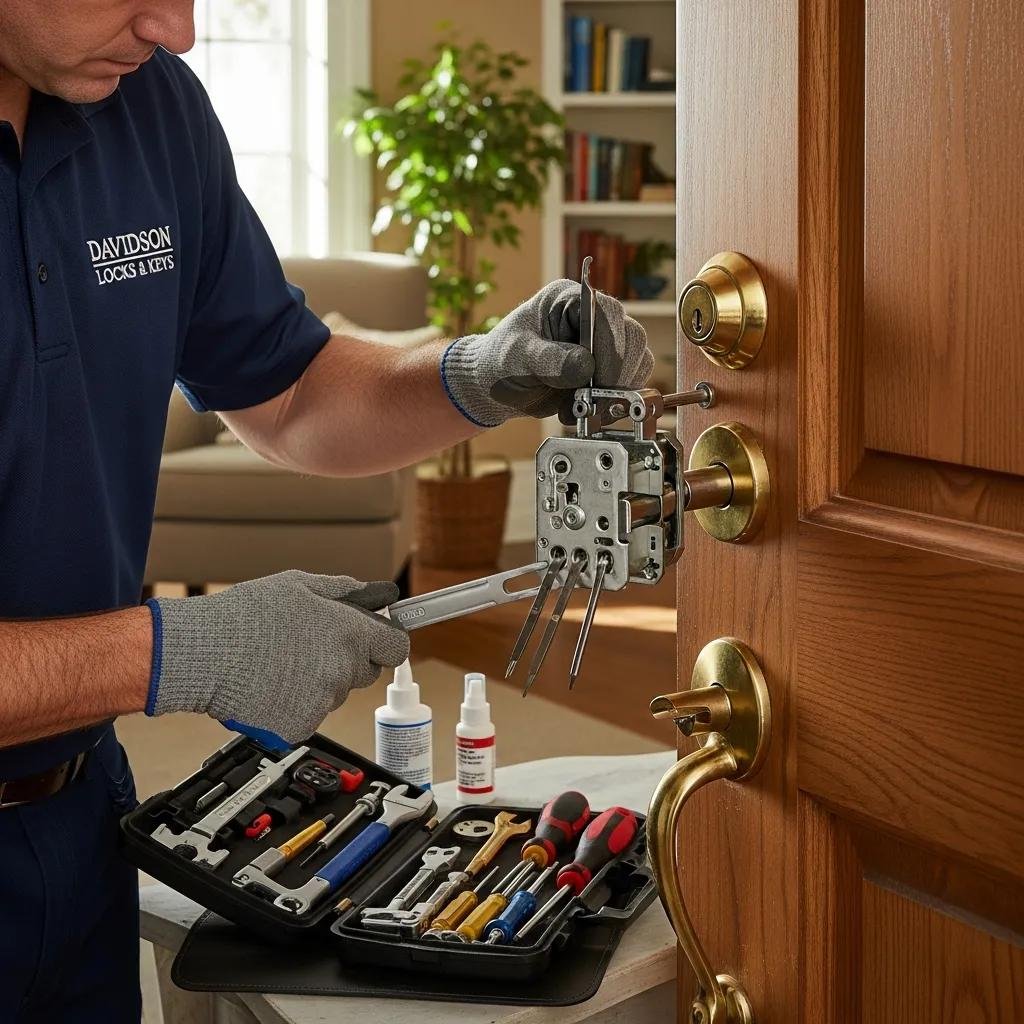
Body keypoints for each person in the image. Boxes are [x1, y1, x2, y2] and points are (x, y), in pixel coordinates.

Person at [0, 2, 654, 1019]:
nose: (176, 29)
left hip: (78, 812)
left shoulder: (150, 108)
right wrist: (174, 651)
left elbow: (290, 391)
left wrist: (475, 371)